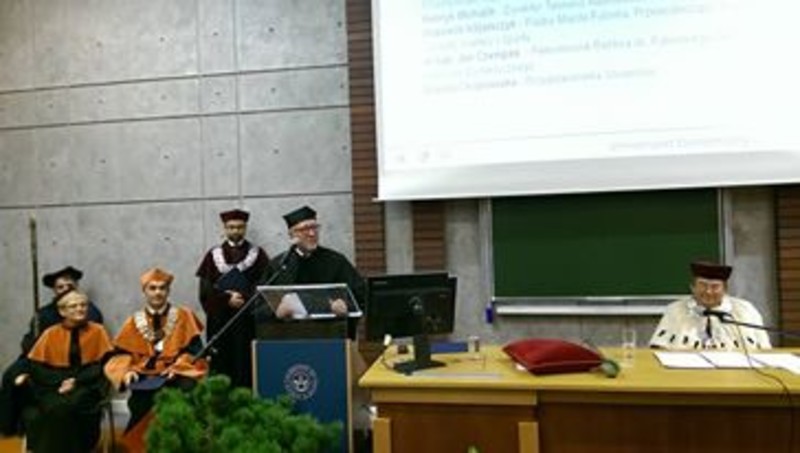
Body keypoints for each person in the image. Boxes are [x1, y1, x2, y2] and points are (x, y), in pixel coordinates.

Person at [104, 268, 208, 451]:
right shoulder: (133, 321)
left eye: (162, 288)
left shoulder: (184, 316)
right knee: (140, 404)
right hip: (145, 375)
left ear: (168, 291)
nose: (158, 292)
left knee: (186, 394)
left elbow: (196, 352)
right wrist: (126, 372)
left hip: (177, 374)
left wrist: (179, 367)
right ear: (144, 291)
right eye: (152, 288)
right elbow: (119, 354)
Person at [0, 265, 104, 436]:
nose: (65, 289)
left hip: (73, 362)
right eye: (60, 287)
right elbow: (31, 341)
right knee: (12, 376)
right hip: (38, 356)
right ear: (55, 291)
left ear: (76, 286)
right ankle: (12, 426)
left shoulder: (88, 311)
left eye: (69, 286)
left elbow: (92, 343)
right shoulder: (44, 313)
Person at [13, 290, 113, 453]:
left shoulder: (98, 331)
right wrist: (61, 381)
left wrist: (76, 381)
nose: (80, 309)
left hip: (87, 385)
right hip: (53, 385)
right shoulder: (50, 333)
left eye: (83, 305)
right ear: (62, 311)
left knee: (68, 406)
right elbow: (36, 367)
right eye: (73, 306)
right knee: (51, 407)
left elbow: (105, 365)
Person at [260, 205, 365, 337]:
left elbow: (360, 296)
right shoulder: (279, 265)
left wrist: (345, 305)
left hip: (329, 335)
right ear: (292, 235)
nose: (312, 233)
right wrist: (276, 311)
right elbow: (260, 304)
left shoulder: (336, 261)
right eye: (305, 229)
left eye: (314, 227)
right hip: (290, 336)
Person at [196, 208, 269, 389]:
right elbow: (205, 291)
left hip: (247, 321)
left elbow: (265, 287)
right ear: (225, 228)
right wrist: (226, 299)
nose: (235, 231)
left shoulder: (258, 255)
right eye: (231, 227)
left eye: (239, 227)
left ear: (245, 228)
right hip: (220, 322)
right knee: (221, 363)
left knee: (246, 364)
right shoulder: (212, 256)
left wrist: (243, 299)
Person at [650, 260, 772, 350]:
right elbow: (658, 348)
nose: (708, 291)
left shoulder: (745, 310)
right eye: (702, 285)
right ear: (692, 287)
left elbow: (764, 349)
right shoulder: (675, 310)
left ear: (725, 289)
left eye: (715, 287)